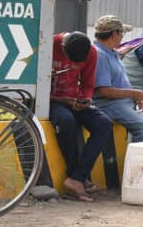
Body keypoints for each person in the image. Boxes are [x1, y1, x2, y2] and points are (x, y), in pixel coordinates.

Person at [49, 31, 113, 202]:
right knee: (66, 120)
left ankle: (76, 178)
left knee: (104, 124)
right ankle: (77, 177)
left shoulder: (91, 52)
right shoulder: (48, 45)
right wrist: (61, 100)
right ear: (62, 47)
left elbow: (88, 84)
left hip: (74, 99)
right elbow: (37, 90)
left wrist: (85, 99)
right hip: (51, 100)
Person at [92, 15, 143, 143]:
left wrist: (136, 97)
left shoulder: (113, 53)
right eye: (122, 33)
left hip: (124, 102)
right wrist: (134, 93)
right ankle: (138, 162)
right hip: (108, 104)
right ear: (115, 33)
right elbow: (103, 91)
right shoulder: (100, 55)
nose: (123, 36)